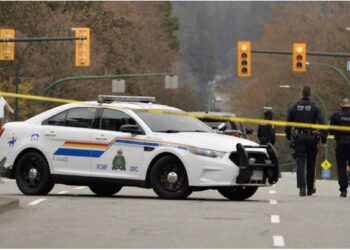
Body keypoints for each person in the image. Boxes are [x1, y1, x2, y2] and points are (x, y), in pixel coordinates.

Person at [285, 86, 327, 196]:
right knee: (311, 163)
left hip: (299, 137)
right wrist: (324, 137)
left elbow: (288, 122)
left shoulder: (294, 106)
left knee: (300, 162)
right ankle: (309, 188)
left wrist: (288, 135)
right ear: (310, 94)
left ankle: (302, 188)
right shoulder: (315, 106)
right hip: (312, 138)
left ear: (301, 94)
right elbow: (322, 122)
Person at [329, 97, 350, 197]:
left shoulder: (336, 115)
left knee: (341, 166)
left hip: (340, 143)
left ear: (341, 104)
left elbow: (331, 130)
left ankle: (343, 189)